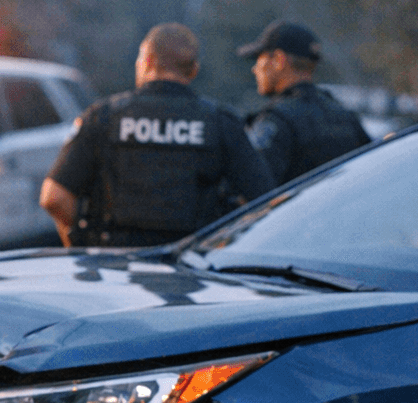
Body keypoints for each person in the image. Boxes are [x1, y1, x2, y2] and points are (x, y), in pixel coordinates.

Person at [40, 23, 274, 247]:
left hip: (116, 262)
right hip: (189, 264)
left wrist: (86, 245)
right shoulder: (221, 122)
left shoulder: (104, 117)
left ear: (147, 62)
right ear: (194, 70)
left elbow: (54, 198)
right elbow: (265, 203)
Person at [240, 20, 371, 185]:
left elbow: (251, 187)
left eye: (259, 58)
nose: (255, 69)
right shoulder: (344, 116)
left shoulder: (275, 121)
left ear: (279, 60)